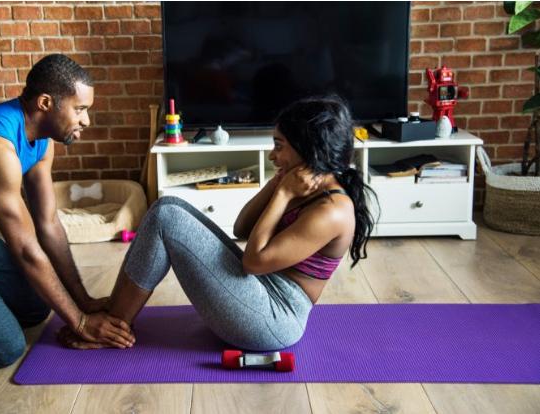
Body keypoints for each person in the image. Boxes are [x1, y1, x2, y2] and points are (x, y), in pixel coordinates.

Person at [59, 95, 376, 351]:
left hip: (274, 320)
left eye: (279, 146)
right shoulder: (303, 183)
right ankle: (115, 317)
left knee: (166, 218)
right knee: (167, 206)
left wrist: (283, 195)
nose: (271, 155)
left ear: (308, 149)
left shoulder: (333, 209)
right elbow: (242, 228)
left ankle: (110, 326)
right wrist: (278, 185)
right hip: (260, 292)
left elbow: (253, 261)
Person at [0, 54, 133, 368]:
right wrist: (79, 323)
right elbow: (25, 247)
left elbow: (47, 223)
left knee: (35, 309)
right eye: (79, 109)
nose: (86, 121)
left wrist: (82, 301)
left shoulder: (43, 140)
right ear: (46, 102)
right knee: (3, 348)